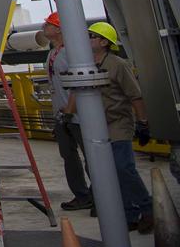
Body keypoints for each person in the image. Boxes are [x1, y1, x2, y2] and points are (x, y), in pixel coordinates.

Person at [78, 21, 153, 233]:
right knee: (107, 172)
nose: (88, 38)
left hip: (119, 123)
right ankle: (129, 214)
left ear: (104, 42)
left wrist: (143, 122)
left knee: (123, 167)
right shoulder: (85, 63)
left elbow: (135, 95)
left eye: (93, 36)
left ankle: (147, 209)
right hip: (98, 126)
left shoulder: (117, 65)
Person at [42, 12, 93, 211]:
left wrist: (70, 109)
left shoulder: (72, 52)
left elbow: (77, 83)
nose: (44, 27)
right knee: (69, 157)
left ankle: (99, 195)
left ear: (59, 29)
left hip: (76, 115)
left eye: (48, 24)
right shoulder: (52, 53)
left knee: (91, 157)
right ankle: (82, 195)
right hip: (62, 115)